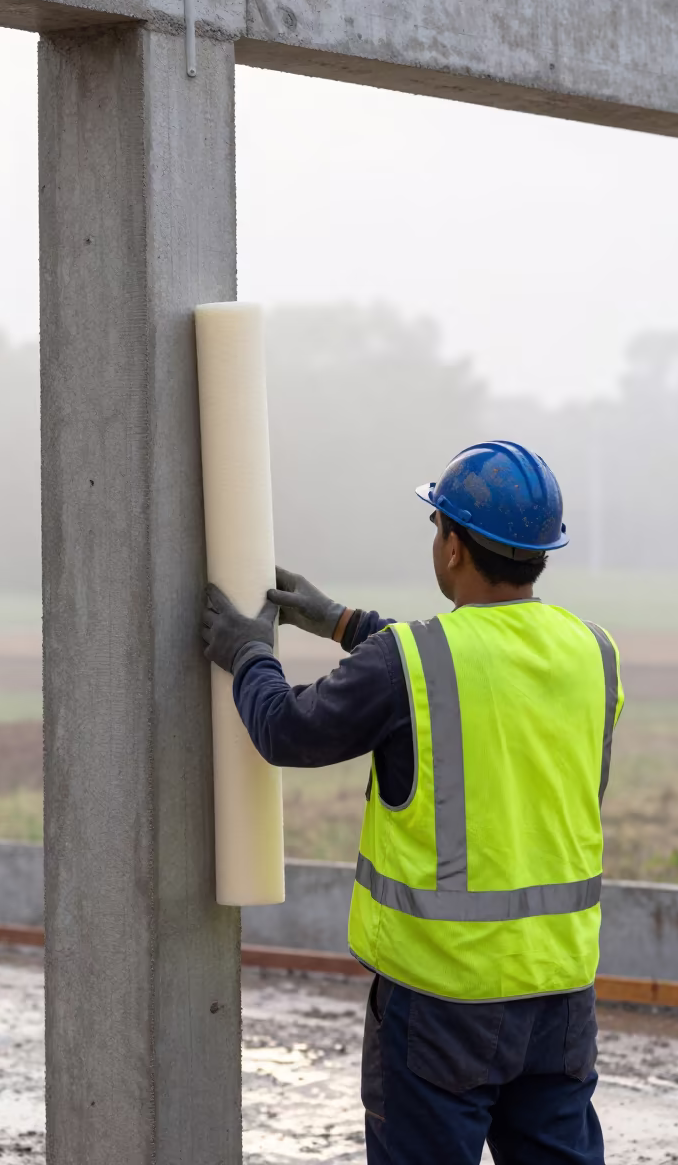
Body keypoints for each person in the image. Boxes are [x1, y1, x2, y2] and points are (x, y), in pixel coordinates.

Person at [202, 440, 623, 1165]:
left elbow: (289, 730)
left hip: (440, 1003)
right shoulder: (593, 650)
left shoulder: (410, 662)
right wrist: (341, 621)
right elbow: (482, 669)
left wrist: (249, 654)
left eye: (437, 527)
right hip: (560, 996)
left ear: (455, 547)